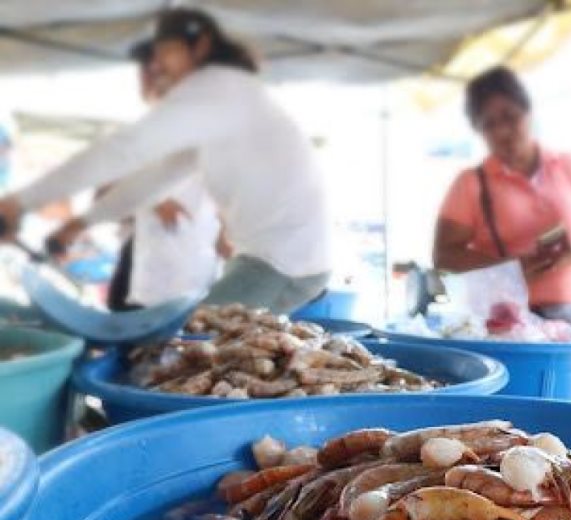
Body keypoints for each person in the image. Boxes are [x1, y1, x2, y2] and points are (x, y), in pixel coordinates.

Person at [0, 8, 332, 314]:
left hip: (284, 262)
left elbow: (124, 149)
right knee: (189, 351)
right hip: (268, 258)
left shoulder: (215, 89)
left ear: (200, 46)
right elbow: (152, 181)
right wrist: (82, 223)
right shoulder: (220, 102)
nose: (158, 66)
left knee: (190, 353)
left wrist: (20, 202)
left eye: (167, 52)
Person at [53, 40, 222, 310]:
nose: (149, 78)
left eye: (159, 70)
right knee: (130, 332)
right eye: (148, 70)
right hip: (146, 266)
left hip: (189, 272)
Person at [433, 66, 571, 325]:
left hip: (568, 316)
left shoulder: (569, 166)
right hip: (502, 322)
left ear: (529, 112)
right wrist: (508, 269)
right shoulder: (470, 183)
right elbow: (444, 255)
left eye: (510, 117)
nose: (503, 132)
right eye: (489, 124)